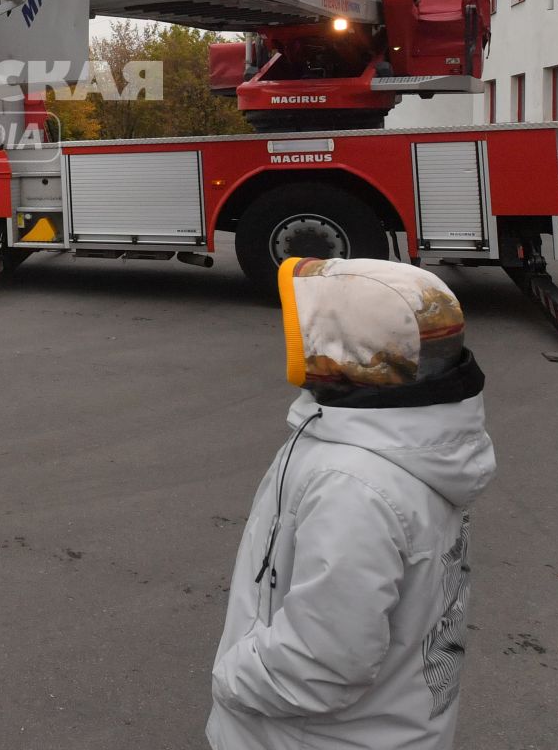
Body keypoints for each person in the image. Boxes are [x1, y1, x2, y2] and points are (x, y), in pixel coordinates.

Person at [207, 257, 495, 750]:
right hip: (387, 723)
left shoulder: (354, 485)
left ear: (355, 351)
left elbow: (321, 662)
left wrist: (231, 679)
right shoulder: (408, 438)